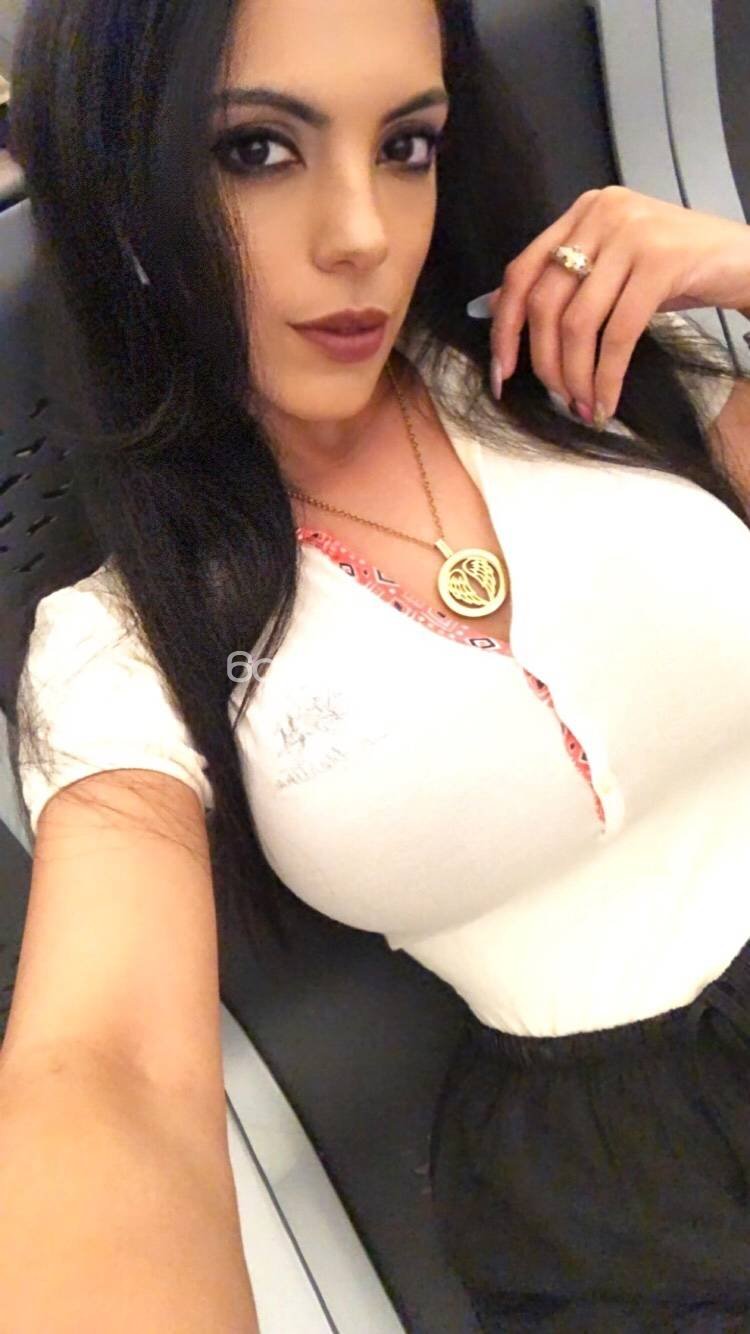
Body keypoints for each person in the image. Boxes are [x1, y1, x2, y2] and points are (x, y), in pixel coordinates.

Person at [3, 0, 750, 1329]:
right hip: (620, 1181)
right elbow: (107, 1070)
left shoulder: (594, 376)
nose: (362, 233)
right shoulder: (125, 641)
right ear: (119, 179)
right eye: (255, 150)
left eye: (404, 146)